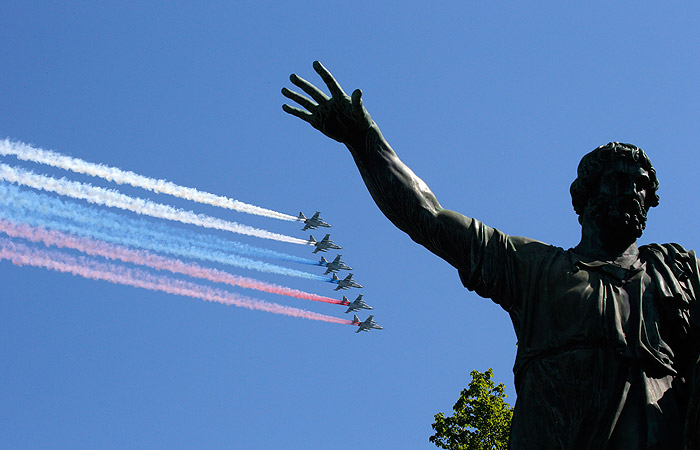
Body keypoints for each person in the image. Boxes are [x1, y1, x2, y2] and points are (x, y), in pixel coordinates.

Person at [282, 61, 700, 449]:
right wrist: (364, 141)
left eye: (641, 185)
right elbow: (429, 217)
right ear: (585, 195)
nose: (633, 192)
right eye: (618, 180)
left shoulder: (677, 272)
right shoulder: (536, 269)